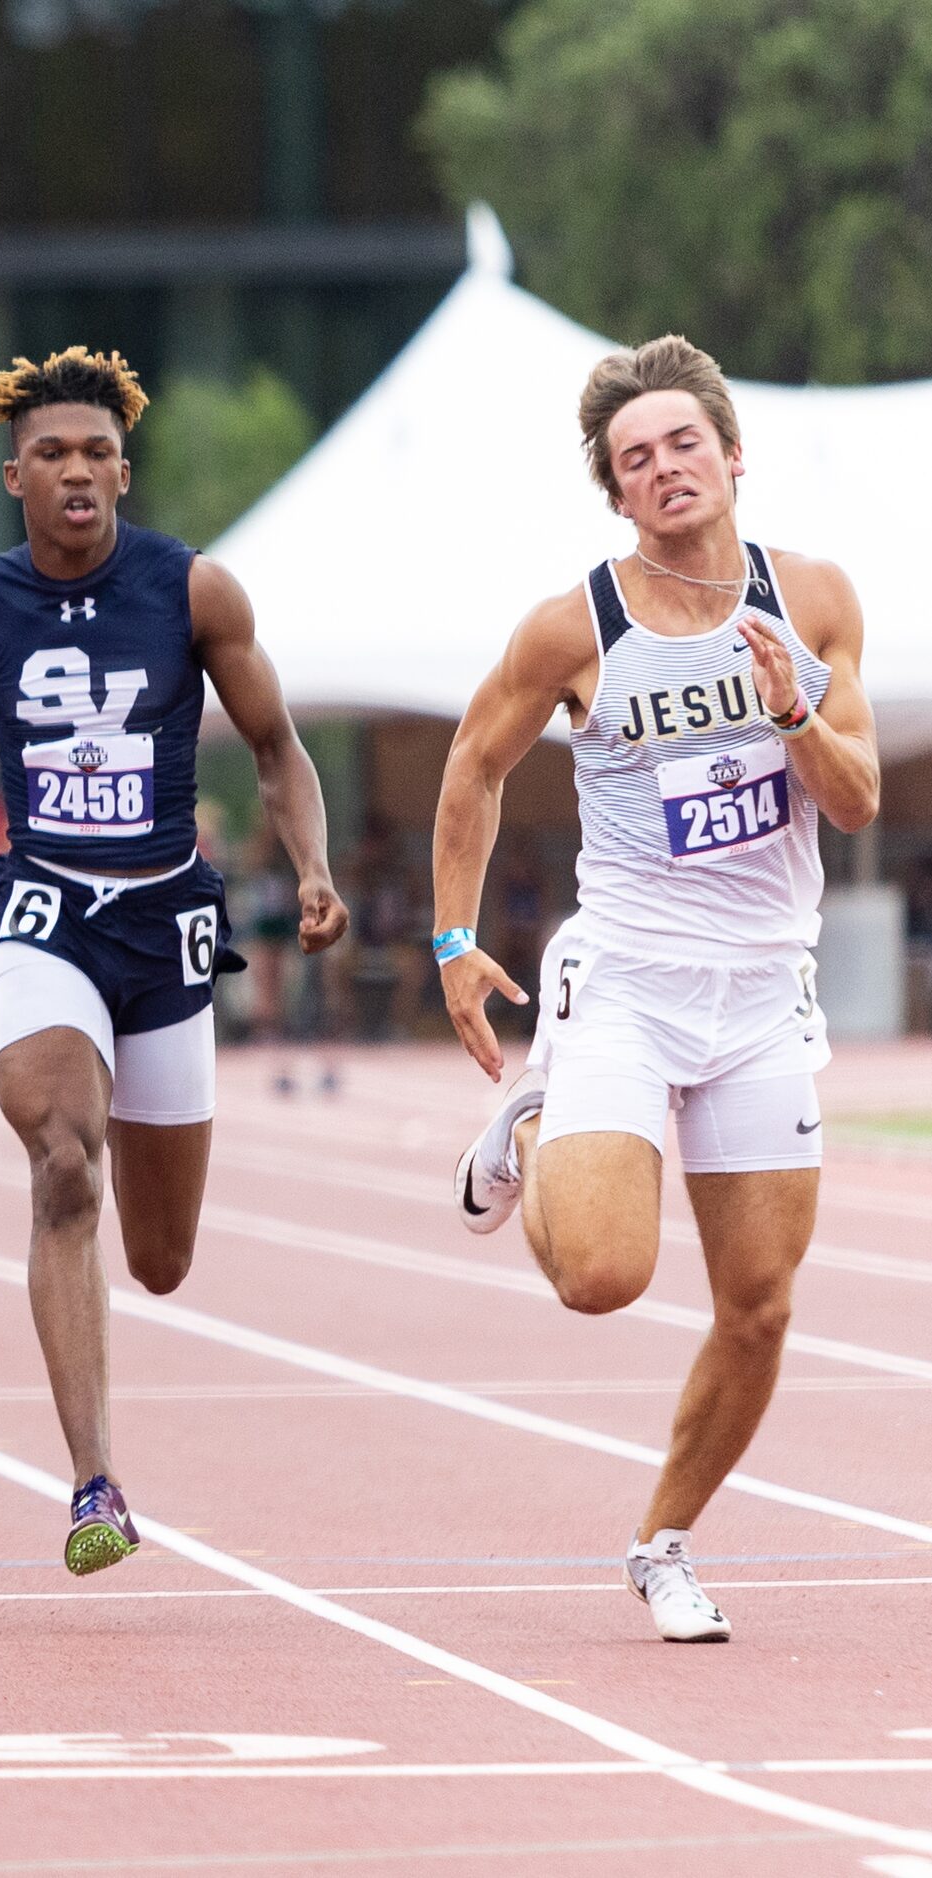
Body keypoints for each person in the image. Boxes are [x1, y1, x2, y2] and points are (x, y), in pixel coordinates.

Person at [435, 336, 879, 1644]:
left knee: (759, 1302)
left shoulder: (813, 599)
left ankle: (663, 1540)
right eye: (636, 458)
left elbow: (853, 804)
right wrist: (454, 943)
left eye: (683, 442)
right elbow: (470, 764)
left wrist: (793, 705)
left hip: (760, 993)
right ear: (616, 493)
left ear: (730, 455)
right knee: (603, 1277)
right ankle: (533, 1122)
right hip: (623, 980)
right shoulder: (577, 625)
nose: (664, 467)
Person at [0, 347, 347, 1574]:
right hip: (46, 907)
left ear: (124, 470)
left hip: (169, 921)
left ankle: (116, 1369)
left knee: (159, 1258)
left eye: (98, 453)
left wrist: (310, 869)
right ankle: (95, 1484)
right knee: (62, 1164)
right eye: (53, 453)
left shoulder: (196, 593)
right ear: (15, 475)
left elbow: (276, 744)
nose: (78, 472)